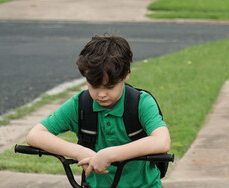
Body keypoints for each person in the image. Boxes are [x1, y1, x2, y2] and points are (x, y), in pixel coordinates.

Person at [26, 35, 171, 187]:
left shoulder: (141, 103)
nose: (101, 94)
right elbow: (35, 135)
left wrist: (109, 154)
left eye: (109, 87)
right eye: (94, 86)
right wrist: (79, 152)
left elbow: (162, 141)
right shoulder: (80, 105)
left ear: (126, 73)